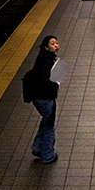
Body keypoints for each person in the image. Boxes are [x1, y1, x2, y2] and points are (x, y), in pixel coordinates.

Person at [28, 35, 61, 164]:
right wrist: (56, 84)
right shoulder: (47, 61)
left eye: (57, 43)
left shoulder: (44, 57)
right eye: (53, 44)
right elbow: (44, 80)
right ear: (46, 47)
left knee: (46, 121)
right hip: (43, 97)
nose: (56, 45)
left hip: (39, 96)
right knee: (49, 126)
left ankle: (37, 147)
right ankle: (47, 155)